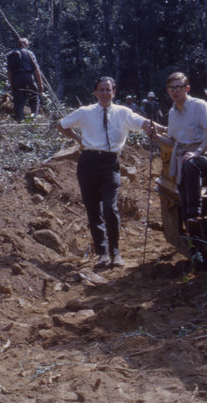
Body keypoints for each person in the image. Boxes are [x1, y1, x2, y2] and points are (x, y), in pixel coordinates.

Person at [57, 77, 152, 269]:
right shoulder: (85, 112)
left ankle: (115, 252)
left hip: (110, 163)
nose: (105, 93)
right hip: (88, 162)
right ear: (95, 93)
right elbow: (61, 125)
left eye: (108, 90)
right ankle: (102, 254)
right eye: (101, 90)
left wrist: (159, 128)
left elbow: (142, 123)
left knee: (110, 207)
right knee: (93, 210)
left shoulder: (123, 113)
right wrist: (77, 138)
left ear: (114, 92)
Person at [149, 72, 207, 227]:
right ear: (167, 91)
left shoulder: (199, 106)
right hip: (183, 158)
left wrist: (197, 152)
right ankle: (191, 226)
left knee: (190, 163)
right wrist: (155, 137)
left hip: (204, 156)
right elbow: (173, 141)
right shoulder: (173, 113)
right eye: (171, 88)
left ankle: (195, 212)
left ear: (187, 88)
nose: (175, 91)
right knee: (182, 185)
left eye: (178, 87)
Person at [6, 37, 45, 122]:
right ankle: (33, 118)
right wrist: (40, 83)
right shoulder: (29, 53)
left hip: (16, 79)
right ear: (26, 45)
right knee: (34, 98)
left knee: (18, 101)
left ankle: (21, 121)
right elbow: (36, 69)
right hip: (28, 78)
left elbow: (9, 72)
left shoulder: (10, 54)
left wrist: (11, 84)